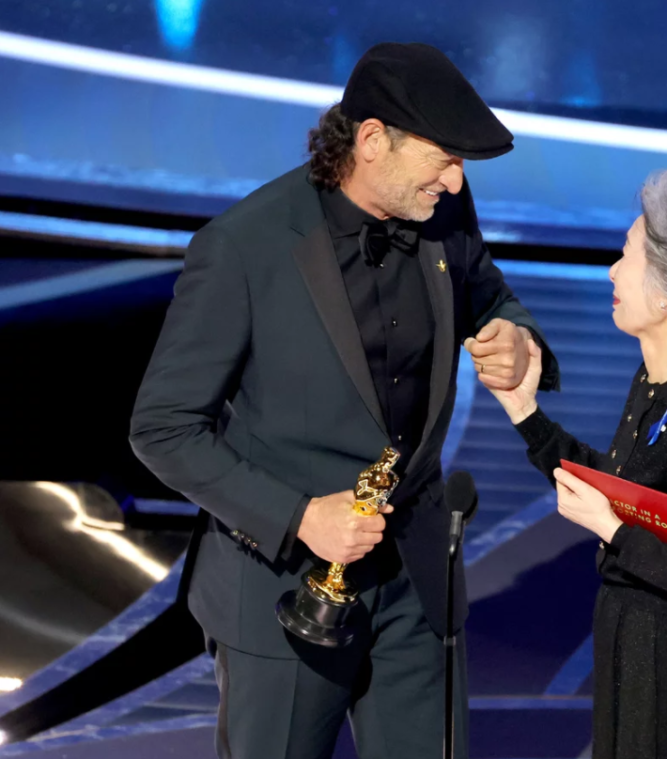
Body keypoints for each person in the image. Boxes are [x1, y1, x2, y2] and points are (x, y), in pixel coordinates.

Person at [129, 42, 559, 759]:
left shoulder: (442, 212)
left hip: (416, 584)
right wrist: (300, 518)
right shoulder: (244, 247)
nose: (455, 183)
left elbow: (489, 294)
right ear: (370, 141)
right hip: (283, 592)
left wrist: (516, 336)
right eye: (445, 159)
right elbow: (164, 427)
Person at [483, 169, 667, 758]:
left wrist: (613, 530)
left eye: (627, 256)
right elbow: (626, 490)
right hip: (633, 647)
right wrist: (527, 415)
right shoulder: (657, 378)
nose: (613, 272)